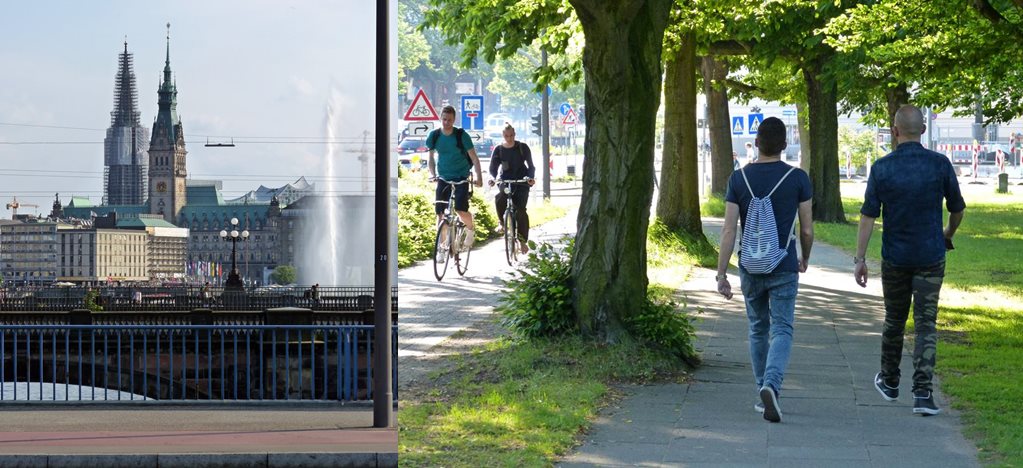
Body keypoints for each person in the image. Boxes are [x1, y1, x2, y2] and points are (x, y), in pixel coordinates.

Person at [854, 104, 965, 416]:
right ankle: (923, 393)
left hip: (896, 258)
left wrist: (860, 258)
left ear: (894, 131)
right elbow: (957, 208)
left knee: (894, 319)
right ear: (923, 131)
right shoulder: (940, 165)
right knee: (926, 324)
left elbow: (868, 217)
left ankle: (889, 381)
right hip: (931, 255)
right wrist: (948, 232)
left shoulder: (882, 168)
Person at [715, 117, 814, 423]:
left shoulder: (738, 179)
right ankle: (772, 385)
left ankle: (761, 390)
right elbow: (807, 229)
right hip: (783, 263)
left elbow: (729, 231)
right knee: (782, 328)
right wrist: (804, 257)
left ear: (756, 143)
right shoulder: (798, 179)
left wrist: (721, 274)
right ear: (784, 145)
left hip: (750, 266)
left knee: (758, 327)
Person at [427, 105, 484, 251]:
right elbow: (431, 158)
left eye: (450, 120)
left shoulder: (461, 135)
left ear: (454, 120)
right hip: (443, 177)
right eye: (444, 119)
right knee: (441, 215)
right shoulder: (434, 136)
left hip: (461, 177)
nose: (446, 123)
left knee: (460, 210)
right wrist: (432, 174)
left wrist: (479, 178)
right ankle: (442, 247)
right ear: (441, 118)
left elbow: (474, 158)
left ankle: (470, 229)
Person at [488, 124, 536, 254]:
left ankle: (522, 241)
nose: (509, 138)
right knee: (500, 196)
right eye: (506, 136)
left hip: (521, 182)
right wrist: (492, 178)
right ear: (503, 135)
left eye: (511, 136)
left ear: (514, 134)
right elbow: (492, 168)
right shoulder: (499, 150)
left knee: (520, 211)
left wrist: (530, 178)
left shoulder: (522, 147)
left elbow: (531, 165)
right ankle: (502, 223)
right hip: (505, 180)